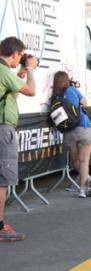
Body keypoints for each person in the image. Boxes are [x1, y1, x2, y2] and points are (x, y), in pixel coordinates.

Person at [0, 36, 38, 241]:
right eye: (21, 56)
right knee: (2, 180)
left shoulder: (5, 73)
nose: (21, 60)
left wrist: (18, 74)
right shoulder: (4, 71)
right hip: (2, 129)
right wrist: (30, 70)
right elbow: (31, 91)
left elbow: (6, 94)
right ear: (15, 54)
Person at [52, 71, 91, 198]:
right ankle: (83, 189)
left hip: (68, 131)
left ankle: (88, 178)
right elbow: (85, 102)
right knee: (84, 161)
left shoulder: (55, 95)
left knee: (75, 161)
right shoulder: (72, 89)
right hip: (83, 127)